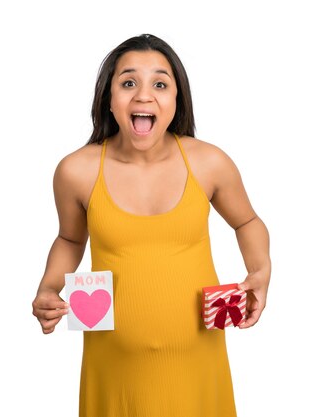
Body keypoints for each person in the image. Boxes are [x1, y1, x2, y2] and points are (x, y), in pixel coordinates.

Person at [32, 34, 271, 417]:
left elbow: (247, 222)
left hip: (198, 366)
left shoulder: (209, 162)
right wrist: (48, 287)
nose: (144, 96)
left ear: (177, 100)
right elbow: (70, 239)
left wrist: (260, 270)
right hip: (114, 372)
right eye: (128, 83)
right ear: (109, 99)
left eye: (160, 84)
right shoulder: (76, 171)